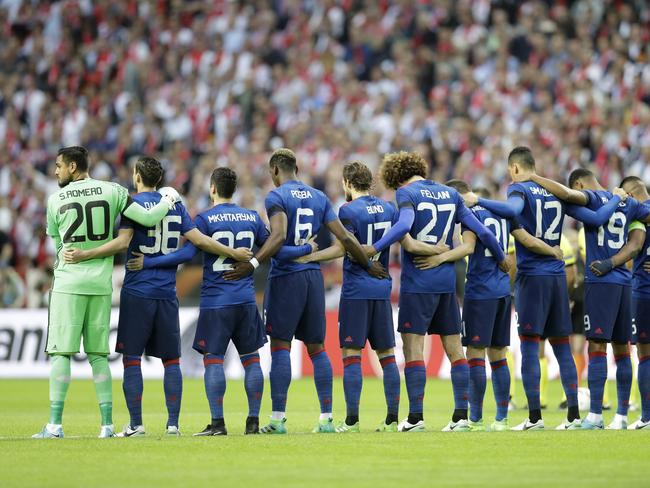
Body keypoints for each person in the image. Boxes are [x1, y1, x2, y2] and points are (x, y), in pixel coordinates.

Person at [63, 157, 253, 437]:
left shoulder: (132, 204)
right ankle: (173, 425)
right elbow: (199, 241)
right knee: (172, 361)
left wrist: (86, 254)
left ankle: (136, 425)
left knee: (131, 359)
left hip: (138, 291)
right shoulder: (175, 205)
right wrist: (235, 253)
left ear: (137, 175)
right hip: (167, 292)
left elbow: (123, 241)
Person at [223, 148, 387, 434]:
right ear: (296, 168)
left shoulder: (277, 196)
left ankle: (277, 419)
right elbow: (346, 238)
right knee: (317, 349)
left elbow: (277, 238)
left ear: (275, 170)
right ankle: (326, 419)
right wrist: (368, 263)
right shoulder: (319, 196)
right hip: (313, 278)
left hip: (287, 278)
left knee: (281, 347)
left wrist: (252, 262)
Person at [471, 147, 625, 430]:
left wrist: (478, 200)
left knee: (530, 348)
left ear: (515, 168)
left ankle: (534, 418)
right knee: (562, 348)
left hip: (532, 277)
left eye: (510, 171)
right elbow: (595, 218)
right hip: (557, 279)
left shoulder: (519, 190)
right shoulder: (555, 191)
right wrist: (616, 197)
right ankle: (573, 416)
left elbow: (513, 210)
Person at [129, 167, 291, 435]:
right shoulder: (251, 217)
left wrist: (150, 261)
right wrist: (300, 251)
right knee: (251, 360)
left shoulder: (204, 220)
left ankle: (218, 423)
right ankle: (252, 422)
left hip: (216, 301)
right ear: (234, 189)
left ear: (212, 188)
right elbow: (274, 248)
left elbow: (185, 254)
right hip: (246, 300)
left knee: (213, 360)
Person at [33, 146, 182, 439]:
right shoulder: (113, 191)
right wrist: (168, 198)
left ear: (73, 167)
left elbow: (59, 247)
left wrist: (78, 253)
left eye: (59, 166)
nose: (55, 171)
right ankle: (107, 425)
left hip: (68, 284)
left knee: (61, 352)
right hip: (101, 285)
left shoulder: (55, 199)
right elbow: (149, 219)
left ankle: (54, 425)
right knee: (98, 355)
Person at [296, 161, 446, 433]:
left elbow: (346, 248)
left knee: (351, 354)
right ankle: (391, 420)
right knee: (387, 354)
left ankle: (352, 421)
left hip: (356, 289)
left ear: (348, 183)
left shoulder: (348, 210)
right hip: (382, 288)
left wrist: (311, 256)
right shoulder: (389, 208)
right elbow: (404, 241)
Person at [364, 151, 508, 432]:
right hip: (447, 282)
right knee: (455, 350)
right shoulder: (449, 193)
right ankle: (461, 417)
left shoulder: (407, 193)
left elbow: (405, 227)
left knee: (413, 348)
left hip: (418, 281)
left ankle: (416, 418)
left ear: (395, 176)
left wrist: (376, 246)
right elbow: (482, 231)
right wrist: (501, 256)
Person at [528, 168, 650, 429]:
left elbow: (565, 193)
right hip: (625, 284)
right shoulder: (628, 203)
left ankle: (594, 415)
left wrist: (534, 177)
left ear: (580, 184)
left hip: (600, 281)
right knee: (622, 349)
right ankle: (621, 416)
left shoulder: (592, 198)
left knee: (596, 346)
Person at [444, 180, 563, 431]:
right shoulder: (503, 214)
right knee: (498, 355)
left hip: (479, 290)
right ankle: (501, 419)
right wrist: (552, 250)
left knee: (475, 354)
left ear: (458, 196)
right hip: (502, 291)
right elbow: (527, 240)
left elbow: (470, 246)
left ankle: (474, 420)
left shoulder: (469, 215)